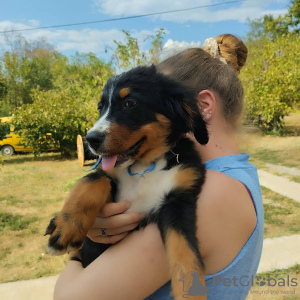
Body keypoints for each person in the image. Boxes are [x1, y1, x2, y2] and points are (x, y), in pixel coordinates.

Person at [53, 34, 263, 300]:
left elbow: (71, 297)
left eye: (132, 104)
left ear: (200, 107)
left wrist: (77, 254)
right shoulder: (237, 174)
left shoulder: (214, 191)